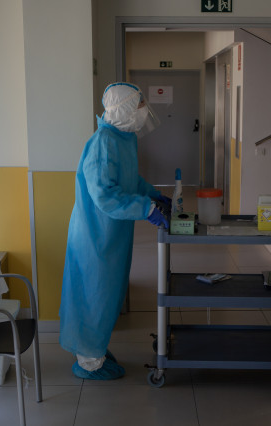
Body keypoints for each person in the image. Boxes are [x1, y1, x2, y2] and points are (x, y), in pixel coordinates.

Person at [59, 82, 170, 380]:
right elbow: (106, 196)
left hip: (111, 235)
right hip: (94, 237)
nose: (143, 115)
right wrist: (146, 208)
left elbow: (129, 180)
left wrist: (154, 195)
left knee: (108, 295)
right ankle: (88, 360)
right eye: (139, 108)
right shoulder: (102, 143)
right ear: (122, 111)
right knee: (95, 295)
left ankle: (94, 347)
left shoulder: (124, 138)